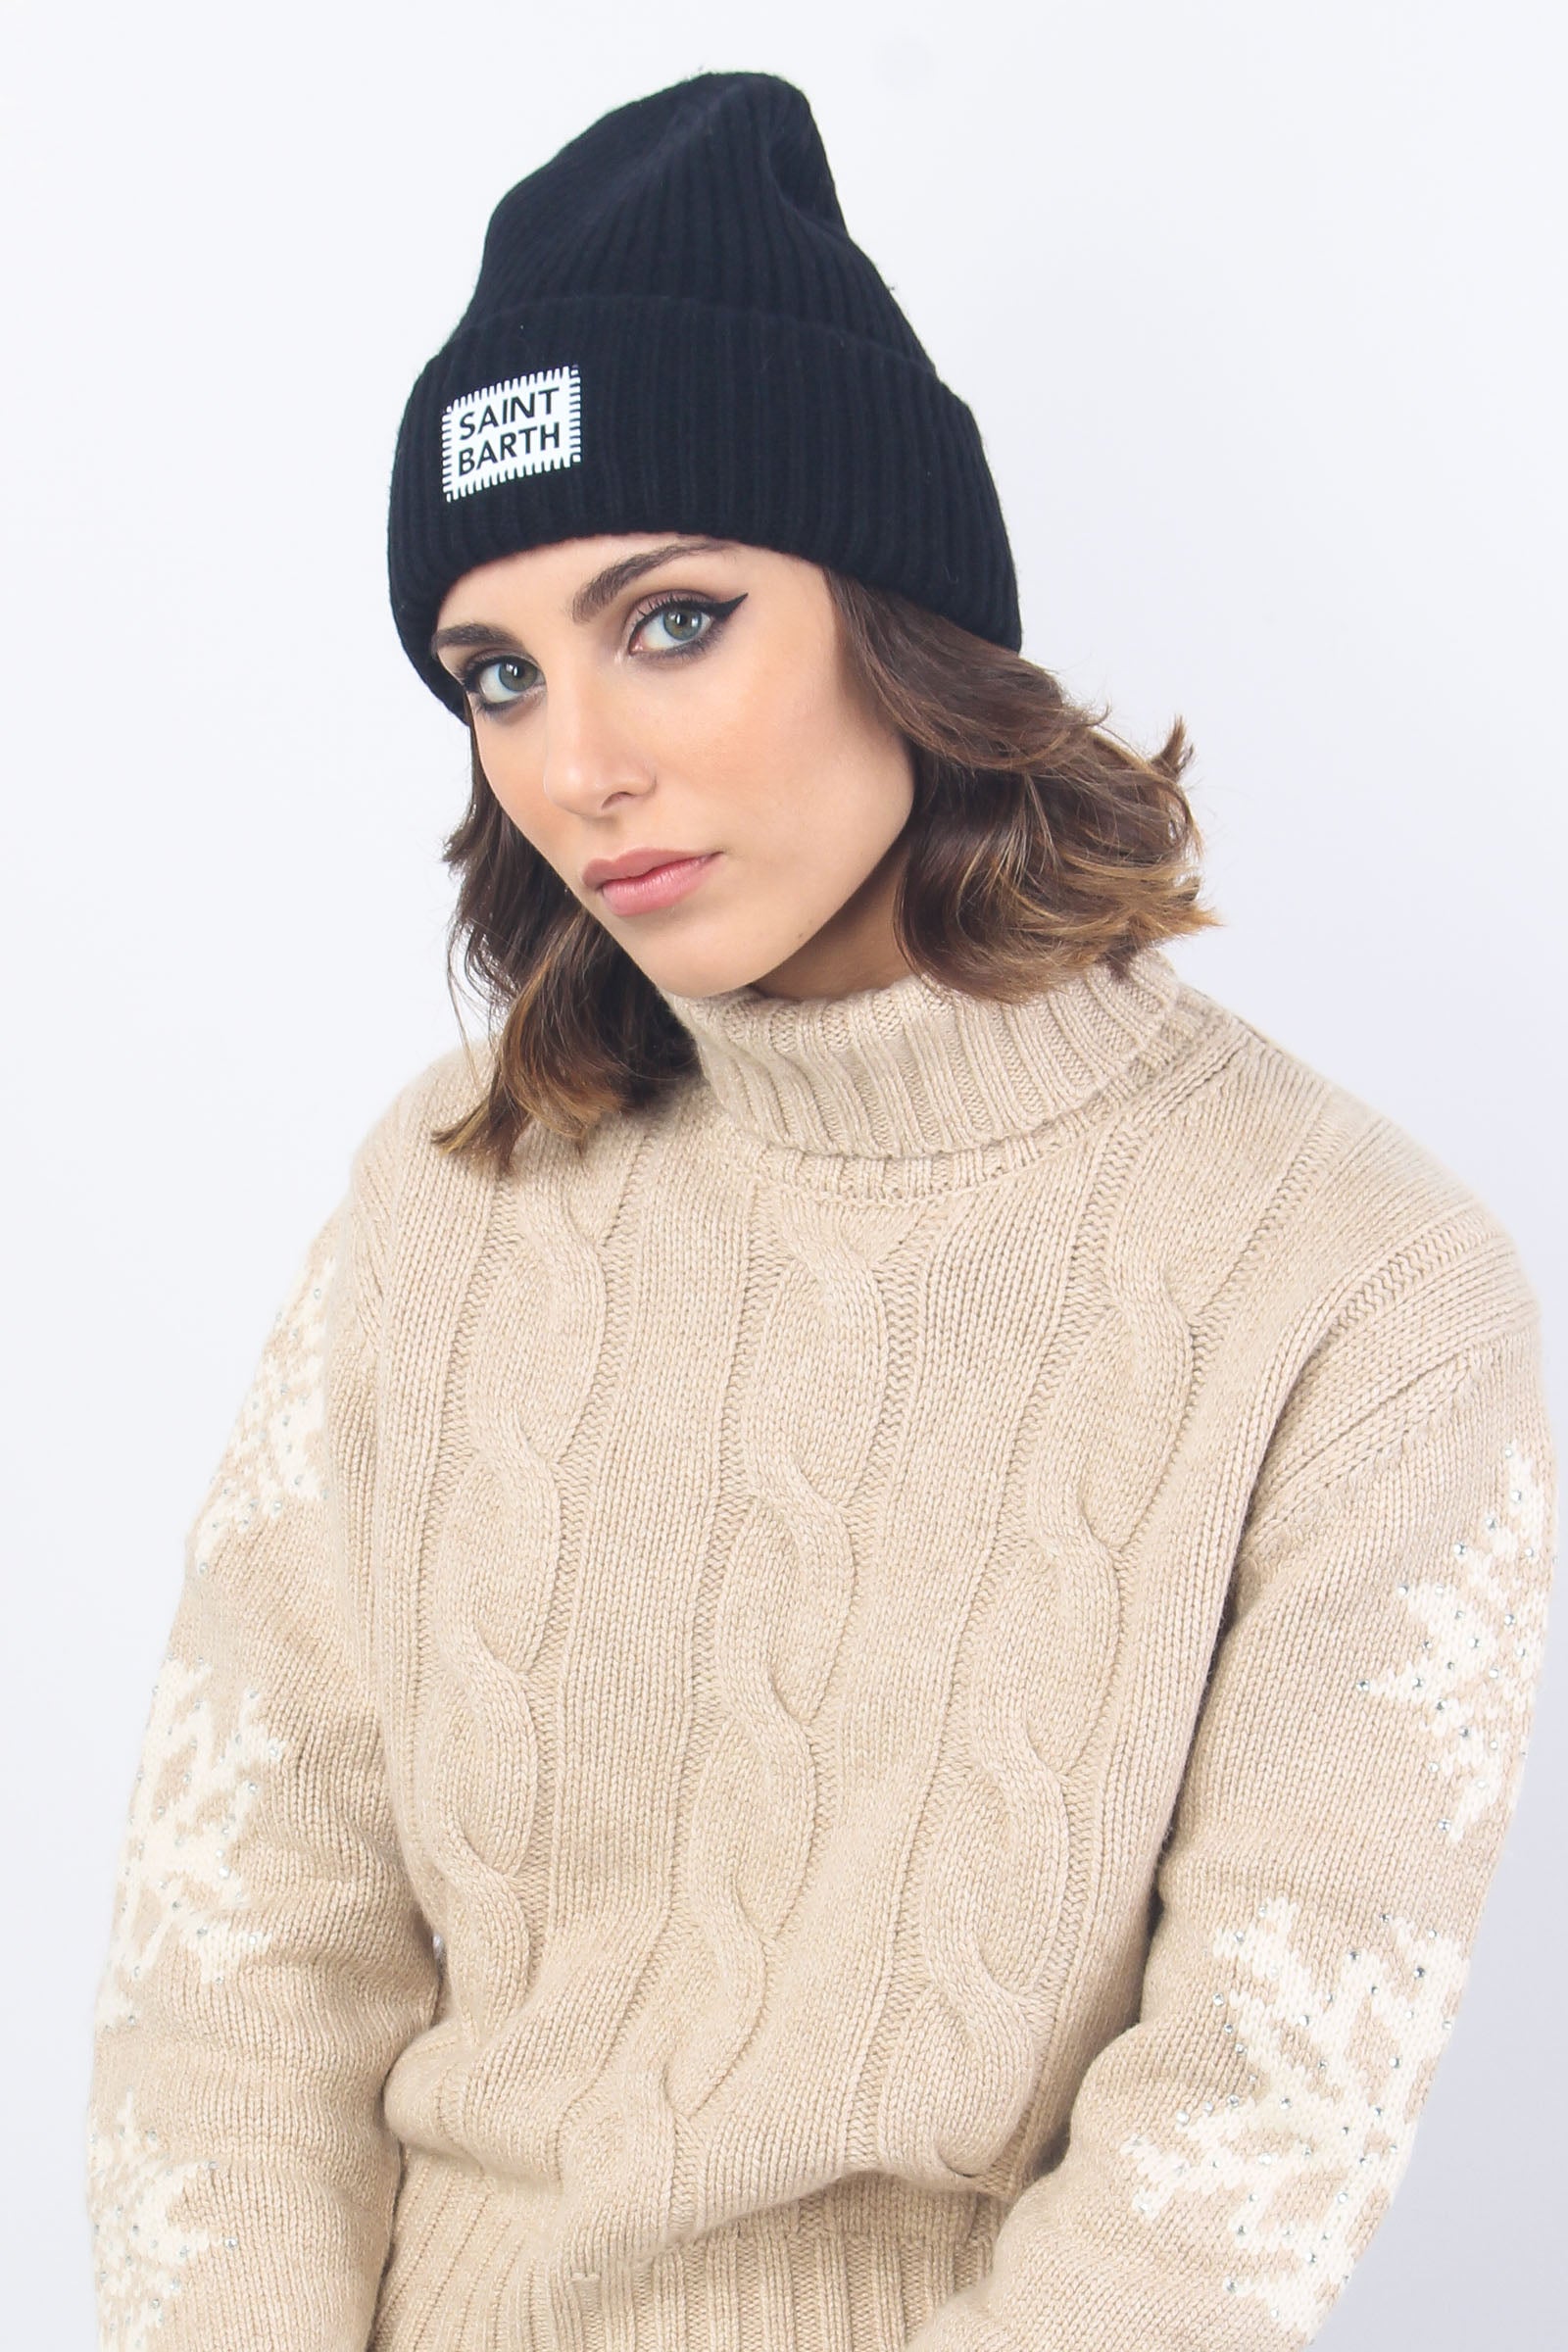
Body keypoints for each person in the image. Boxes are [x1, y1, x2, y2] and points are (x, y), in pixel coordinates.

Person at [83, 68, 1556, 2352]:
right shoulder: (448, 1192)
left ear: (900, 610)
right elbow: (238, 1966)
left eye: (670, 620)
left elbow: (1249, 2129)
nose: (578, 763)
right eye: (497, 675)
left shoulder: (1356, 1285)